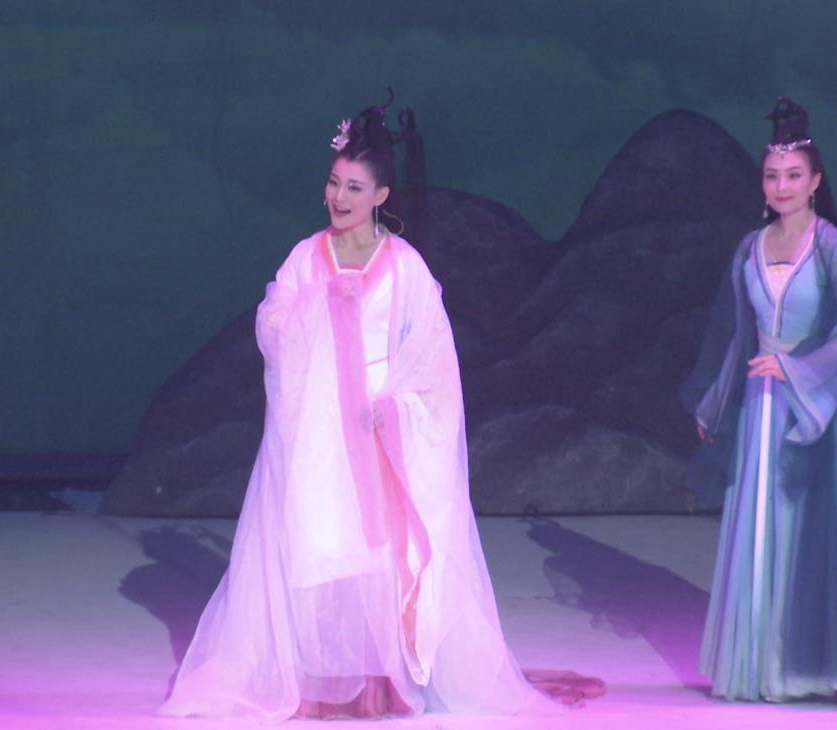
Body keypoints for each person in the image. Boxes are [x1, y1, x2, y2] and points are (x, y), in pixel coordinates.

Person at [159, 93, 547, 721]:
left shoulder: (406, 269)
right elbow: (273, 327)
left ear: (381, 196)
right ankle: (318, 680)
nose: (339, 197)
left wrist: (395, 407)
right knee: (319, 545)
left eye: (354, 187)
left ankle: (378, 682)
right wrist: (315, 312)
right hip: (318, 433)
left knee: (378, 556)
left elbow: (433, 359)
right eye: (334, 183)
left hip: (380, 432)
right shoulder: (304, 258)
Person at [680, 97, 837, 707]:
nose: (782, 186)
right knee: (766, 534)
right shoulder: (748, 247)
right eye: (772, 176)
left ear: (816, 181)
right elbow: (739, 334)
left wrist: (794, 368)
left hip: (823, 408)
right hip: (762, 407)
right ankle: (771, 670)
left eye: (794, 175)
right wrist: (715, 403)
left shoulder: (836, 249)